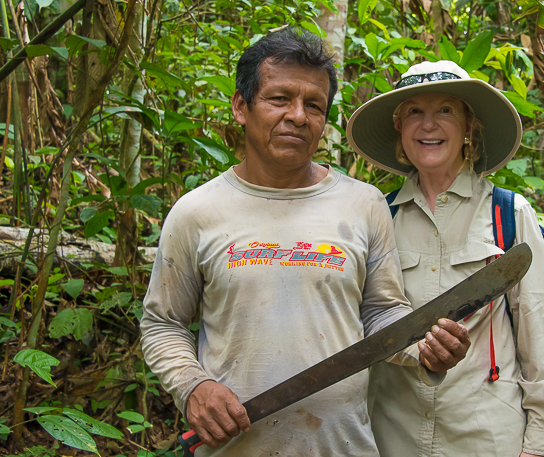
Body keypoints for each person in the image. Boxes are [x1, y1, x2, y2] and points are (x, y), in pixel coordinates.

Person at [140, 30, 471, 457]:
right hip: (236, 446)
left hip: (342, 445)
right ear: (241, 107)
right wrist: (193, 386)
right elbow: (162, 323)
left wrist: (423, 346)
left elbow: (382, 311)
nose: (297, 116)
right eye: (279, 98)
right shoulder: (197, 212)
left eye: (313, 105)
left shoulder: (363, 204)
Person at [346, 60, 544, 457]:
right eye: (415, 111)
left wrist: (537, 445)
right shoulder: (380, 216)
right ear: (399, 126)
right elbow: (362, 322)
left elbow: (541, 335)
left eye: (445, 110)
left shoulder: (508, 214)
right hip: (392, 436)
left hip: (485, 436)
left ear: (469, 127)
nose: (428, 125)